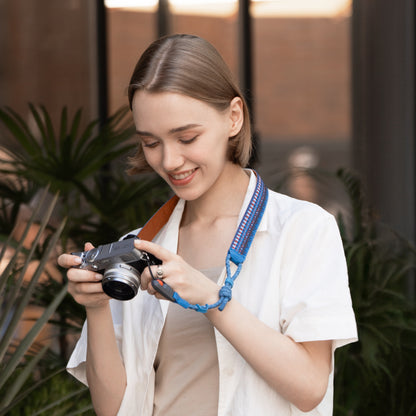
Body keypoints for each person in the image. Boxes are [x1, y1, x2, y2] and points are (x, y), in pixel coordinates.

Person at [58, 34, 357, 416]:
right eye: (151, 142)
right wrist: (98, 309)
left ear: (234, 117)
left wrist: (212, 300)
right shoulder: (137, 247)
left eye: (187, 137)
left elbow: (310, 387)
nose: (169, 160)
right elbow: (114, 409)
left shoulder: (303, 230)